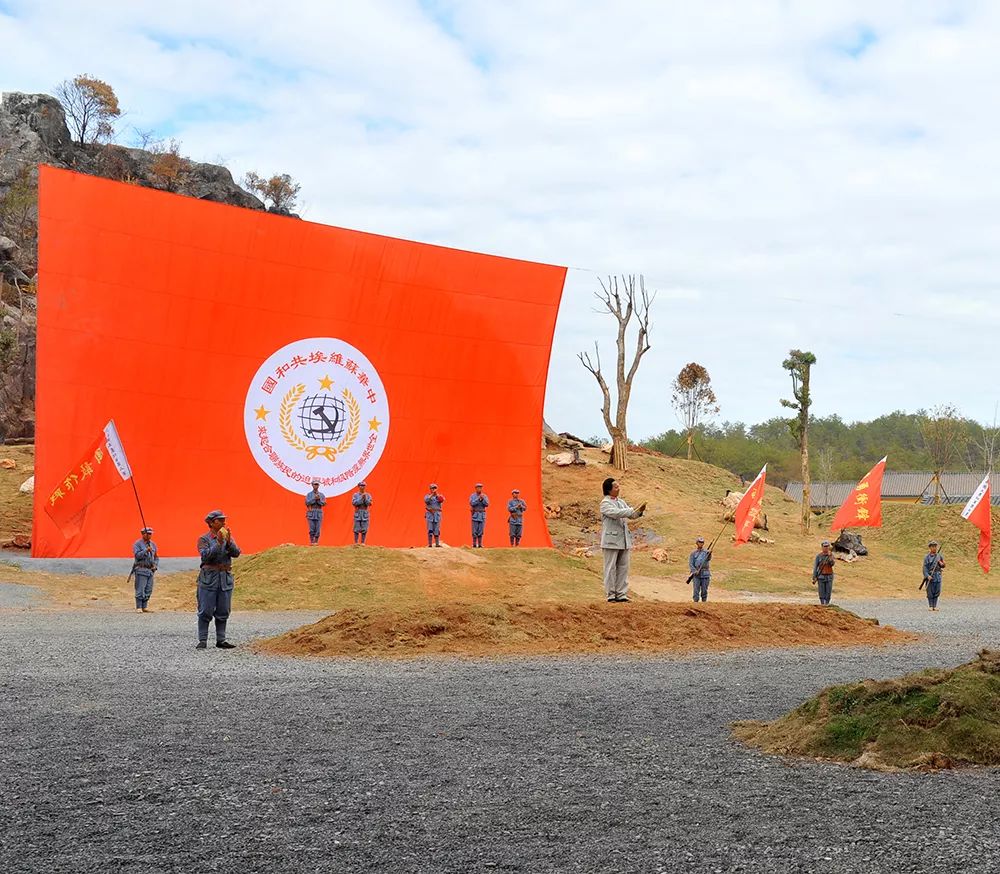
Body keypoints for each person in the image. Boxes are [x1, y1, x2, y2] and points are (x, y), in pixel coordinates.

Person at [196, 510, 241, 650]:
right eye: (220, 520)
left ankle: (221, 639)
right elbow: (206, 556)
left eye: (223, 520)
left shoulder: (228, 537)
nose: (223, 522)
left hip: (224, 578)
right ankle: (202, 640)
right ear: (211, 522)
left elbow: (237, 553)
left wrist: (228, 543)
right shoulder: (203, 539)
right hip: (209, 578)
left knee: (223, 610)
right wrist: (218, 543)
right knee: (205, 610)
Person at [599, 478, 645, 603]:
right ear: (609, 489)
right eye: (616, 487)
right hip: (610, 541)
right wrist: (631, 510)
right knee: (610, 568)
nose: (618, 489)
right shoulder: (605, 503)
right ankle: (611, 595)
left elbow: (631, 515)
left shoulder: (621, 502)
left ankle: (621, 594)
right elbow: (616, 513)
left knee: (623, 568)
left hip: (623, 541)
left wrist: (639, 511)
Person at [131, 526, 159, 613]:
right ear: (143, 534)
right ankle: (139, 606)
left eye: (151, 534)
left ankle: (145, 606)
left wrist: (155, 565)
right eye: (148, 534)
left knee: (148, 589)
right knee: (140, 589)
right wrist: (146, 550)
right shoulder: (137, 544)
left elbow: (156, 557)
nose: (150, 535)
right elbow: (137, 556)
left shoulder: (153, 544)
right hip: (141, 569)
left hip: (150, 570)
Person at [923, 540, 945, 611]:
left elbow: (943, 565)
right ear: (930, 547)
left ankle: (935, 606)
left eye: (935, 546)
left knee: (937, 591)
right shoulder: (927, 557)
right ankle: (930, 605)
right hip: (930, 576)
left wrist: (941, 563)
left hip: (937, 576)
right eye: (932, 546)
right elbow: (925, 568)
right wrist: (927, 576)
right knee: (930, 592)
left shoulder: (939, 556)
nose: (934, 548)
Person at [688, 536, 711, 603]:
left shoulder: (706, 552)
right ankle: (695, 602)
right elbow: (691, 564)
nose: (701, 544)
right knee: (696, 590)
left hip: (705, 574)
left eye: (702, 542)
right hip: (696, 574)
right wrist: (695, 571)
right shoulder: (693, 553)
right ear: (697, 543)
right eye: (699, 542)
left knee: (704, 590)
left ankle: (704, 602)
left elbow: (708, 559)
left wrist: (710, 554)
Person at [812, 540, 836, 605]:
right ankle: (822, 603)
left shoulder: (831, 555)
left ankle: (827, 603)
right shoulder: (819, 556)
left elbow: (832, 564)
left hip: (829, 576)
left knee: (828, 591)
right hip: (821, 576)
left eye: (827, 546)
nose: (826, 548)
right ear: (822, 547)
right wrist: (814, 577)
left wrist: (830, 557)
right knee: (821, 591)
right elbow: (815, 567)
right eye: (825, 546)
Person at [305, 480, 326, 546]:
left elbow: (323, 503)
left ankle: (316, 542)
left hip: (319, 512)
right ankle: (312, 542)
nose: (316, 486)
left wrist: (319, 499)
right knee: (312, 528)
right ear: (312, 485)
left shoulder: (321, 495)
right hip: (311, 511)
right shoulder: (309, 494)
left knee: (318, 528)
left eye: (317, 484)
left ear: (318, 486)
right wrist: (314, 499)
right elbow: (307, 503)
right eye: (314, 484)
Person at [469, 482, 490, 548]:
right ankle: (474, 543)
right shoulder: (472, 496)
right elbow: (472, 503)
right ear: (476, 488)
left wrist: (482, 499)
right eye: (478, 488)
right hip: (475, 514)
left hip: (482, 514)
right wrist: (478, 499)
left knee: (481, 529)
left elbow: (487, 504)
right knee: (474, 530)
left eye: (480, 488)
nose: (479, 489)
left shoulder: (485, 496)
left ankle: (480, 544)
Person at [352, 481, 373, 545]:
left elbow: (370, 503)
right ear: (358, 486)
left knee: (364, 527)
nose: (362, 487)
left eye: (363, 485)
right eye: (361, 485)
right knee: (356, 527)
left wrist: (365, 498)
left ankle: (363, 542)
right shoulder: (355, 495)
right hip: (358, 511)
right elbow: (354, 503)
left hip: (365, 512)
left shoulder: (368, 495)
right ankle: (356, 543)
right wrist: (361, 498)